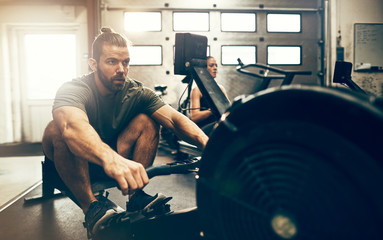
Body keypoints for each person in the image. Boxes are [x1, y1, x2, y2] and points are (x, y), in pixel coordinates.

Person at [41, 27, 208, 239]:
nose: (121, 69)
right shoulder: (74, 89)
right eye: (111, 62)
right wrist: (109, 158)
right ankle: (91, 208)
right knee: (56, 128)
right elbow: (72, 127)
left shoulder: (136, 91)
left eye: (125, 62)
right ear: (93, 64)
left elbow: (175, 119)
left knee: (147, 119)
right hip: (74, 159)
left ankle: (136, 196)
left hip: (113, 157)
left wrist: (210, 143)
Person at [190, 56, 229, 135]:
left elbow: (228, 109)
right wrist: (211, 111)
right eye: (211, 66)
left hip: (217, 124)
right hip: (203, 128)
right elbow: (194, 117)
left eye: (216, 65)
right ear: (204, 69)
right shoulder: (197, 90)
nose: (215, 68)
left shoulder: (221, 89)